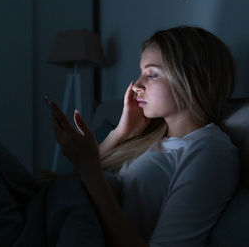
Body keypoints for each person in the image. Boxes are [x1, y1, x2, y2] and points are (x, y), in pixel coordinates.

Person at [49, 26, 240, 246]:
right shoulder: (151, 135)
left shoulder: (210, 149)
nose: (137, 86)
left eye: (151, 74)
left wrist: (91, 171)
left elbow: (88, 176)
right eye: (140, 73)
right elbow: (72, 181)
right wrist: (120, 133)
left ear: (190, 78)